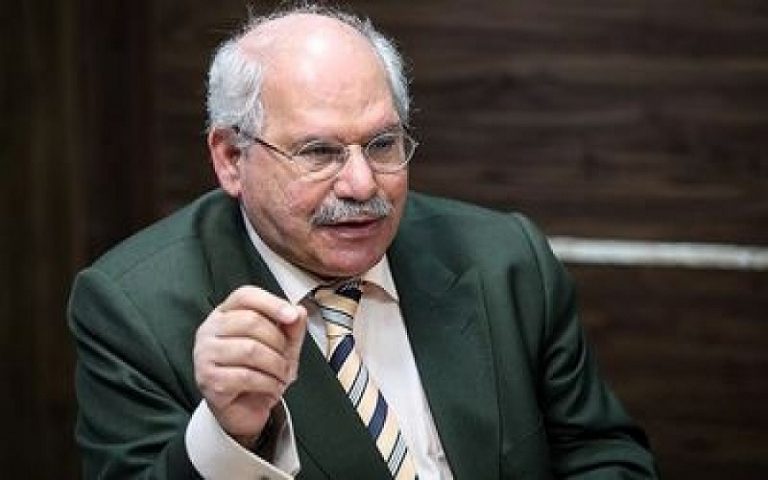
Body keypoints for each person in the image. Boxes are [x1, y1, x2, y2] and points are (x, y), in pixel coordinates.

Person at [68, 4, 658, 479]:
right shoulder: (135, 309)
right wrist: (226, 437)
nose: (361, 184)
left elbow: (603, 456)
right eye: (319, 152)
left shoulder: (504, 259)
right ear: (230, 158)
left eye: (381, 144)